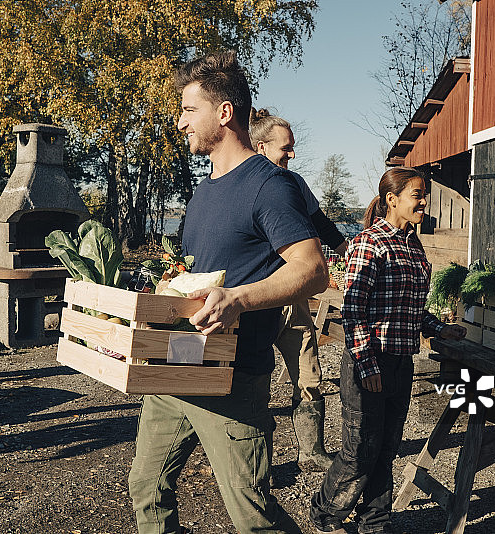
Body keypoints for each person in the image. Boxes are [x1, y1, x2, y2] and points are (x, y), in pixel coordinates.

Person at [128, 51, 328, 534]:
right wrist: (163, 293)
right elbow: (196, 272)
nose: (180, 123)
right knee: (146, 490)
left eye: (188, 110)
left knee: (251, 516)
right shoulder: (203, 191)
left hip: (233, 378)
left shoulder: (270, 186)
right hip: (177, 364)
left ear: (224, 113)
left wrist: (237, 299)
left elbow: (314, 270)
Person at [309, 167, 466, 534]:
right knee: (359, 453)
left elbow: (408, 308)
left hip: (400, 363)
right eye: (417, 194)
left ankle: (374, 524)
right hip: (370, 363)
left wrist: (443, 328)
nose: (424, 201)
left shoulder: (413, 244)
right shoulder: (370, 243)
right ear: (392, 200)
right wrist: (366, 364)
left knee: (387, 449)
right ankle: (323, 516)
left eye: (423, 194)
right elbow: (353, 309)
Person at [249, 107, 347, 471]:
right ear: (260, 147)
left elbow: (321, 223)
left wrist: (347, 255)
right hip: (254, 300)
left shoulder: (293, 184)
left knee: (309, 375)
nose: (292, 154)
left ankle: (311, 450)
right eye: (285, 148)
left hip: (294, 301)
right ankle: (254, 465)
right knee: (252, 382)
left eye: (292, 147)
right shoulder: (244, 185)